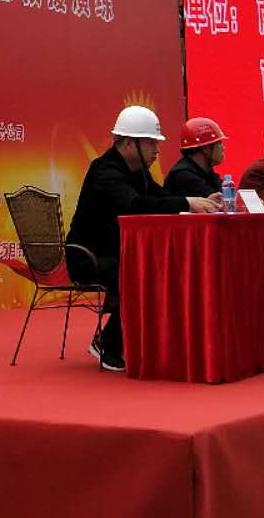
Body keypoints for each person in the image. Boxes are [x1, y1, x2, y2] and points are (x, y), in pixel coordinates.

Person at [66, 106, 221, 372]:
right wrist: (187, 202)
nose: (156, 150)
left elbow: (158, 196)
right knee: (142, 272)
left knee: (158, 266)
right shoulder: (104, 172)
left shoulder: (137, 171)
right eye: (151, 143)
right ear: (129, 144)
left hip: (119, 252)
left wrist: (199, 201)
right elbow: (135, 204)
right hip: (88, 257)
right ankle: (108, 344)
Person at [164, 117, 227, 199]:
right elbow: (219, 202)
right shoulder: (185, 176)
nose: (223, 148)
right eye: (219, 143)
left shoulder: (204, 172)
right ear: (206, 148)